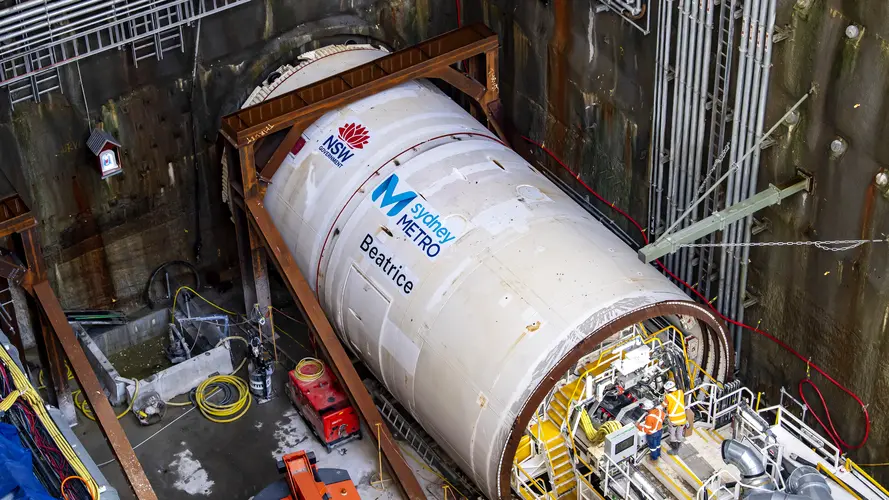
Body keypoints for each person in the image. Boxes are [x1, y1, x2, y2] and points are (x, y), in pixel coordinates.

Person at [663, 380, 687, 455]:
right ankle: (679, 445)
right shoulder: (680, 392)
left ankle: (674, 450)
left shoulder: (668, 397)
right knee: (679, 434)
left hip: (674, 420)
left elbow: (663, 405)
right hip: (682, 419)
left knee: (672, 435)